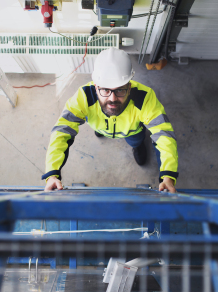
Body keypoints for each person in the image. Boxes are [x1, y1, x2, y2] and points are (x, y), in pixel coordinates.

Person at [42, 48, 178, 192]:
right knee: (98, 130)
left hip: (131, 131)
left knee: (136, 140)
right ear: (96, 87)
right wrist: (51, 174)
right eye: (105, 90)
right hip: (100, 126)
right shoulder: (83, 97)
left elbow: (163, 134)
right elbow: (62, 131)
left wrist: (168, 176)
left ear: (129, 87)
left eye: (120, 90)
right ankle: (101, 132)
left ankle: (137, 146)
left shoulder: (145, 98)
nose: (112, 99)